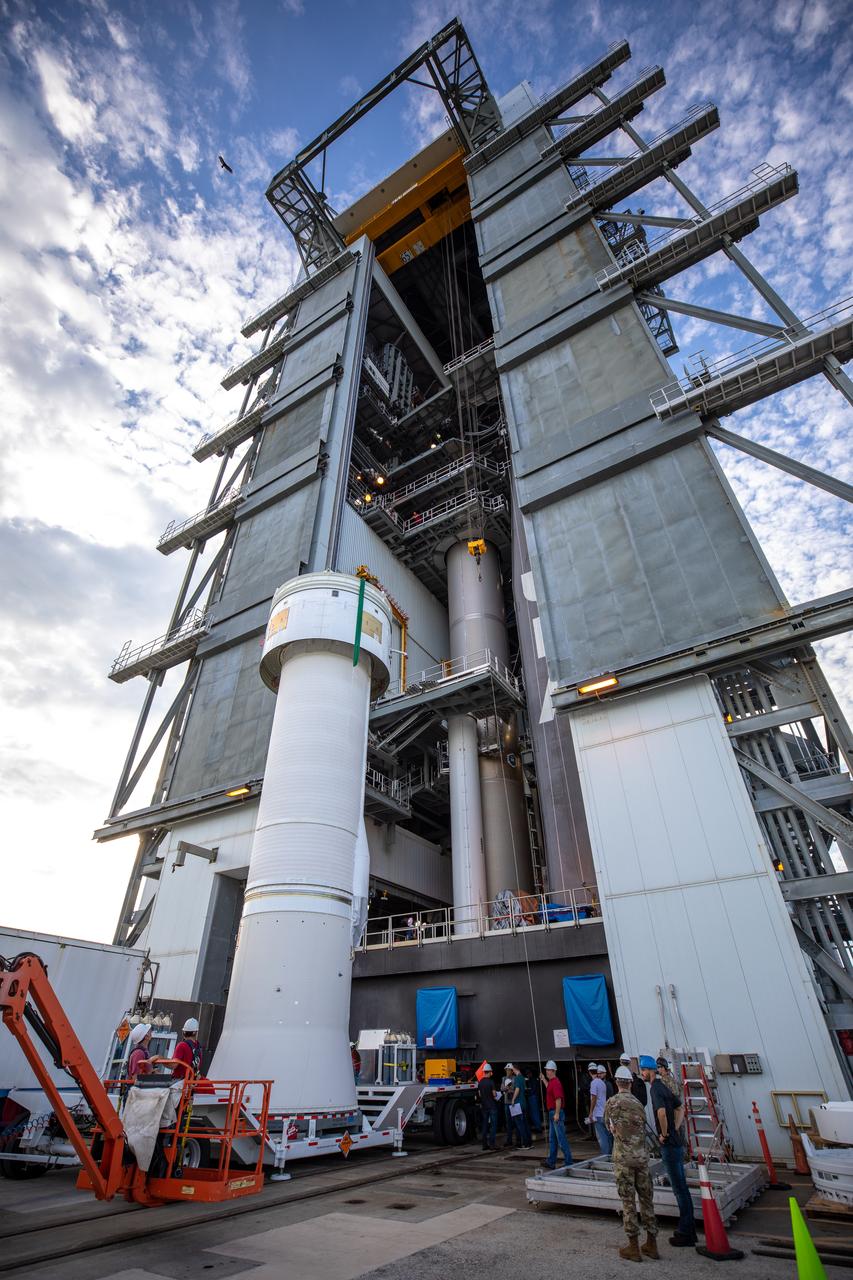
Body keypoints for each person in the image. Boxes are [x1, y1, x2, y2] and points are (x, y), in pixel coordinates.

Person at [640, 1054, 696, 1247]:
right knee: (682, 1187)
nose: (642, 1074)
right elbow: (680, 1108)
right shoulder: (664, 1086)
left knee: (679, 1188)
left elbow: (662, 1112)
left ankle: (685, 1231)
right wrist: (675, 1129)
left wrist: (664, 1134)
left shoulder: (656, 1089)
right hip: (677, 1142)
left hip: (670, 1146)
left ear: (650, 1070)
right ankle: (688, 1228)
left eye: (643, 1070)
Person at [605, 1065, 659, 1262]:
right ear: (630, 1082)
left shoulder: (612, 1103)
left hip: (624, 1159)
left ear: (616, 1082)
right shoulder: (638, 1103)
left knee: (628, 1202)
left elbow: (609, 1127)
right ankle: (652, 1243)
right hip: (642, 1158)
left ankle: (633, 1247)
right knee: (646, 1199)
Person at [540, 1060, 573, 1169]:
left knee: (561, 1139)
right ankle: (551, 1162)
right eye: (546, 1070)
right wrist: (544, 1080)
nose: (546, 1072)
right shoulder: (552, 1083)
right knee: (553, 1139)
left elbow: (558, 1099)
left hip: (555, 1112)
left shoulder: (556, 1083)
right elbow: (549, 1088)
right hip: (552, 1113)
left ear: (553, 1071)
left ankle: (569, 1162)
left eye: (548, 1070)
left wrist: (557, 1113)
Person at [587, 1064, 613, 1156]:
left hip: (597, 1114)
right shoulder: (603, 1083)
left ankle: (605, 1156)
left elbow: (593, 1098)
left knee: (602, 1137)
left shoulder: (594, 1083)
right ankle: (611, 1154)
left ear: (590, 1072)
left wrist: (590, 1113)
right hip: (604, 1113)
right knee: (607, 1135)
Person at [509, 1064, 532, 1148]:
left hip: (518, 1104)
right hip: (524, 1103)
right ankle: (529, 1142)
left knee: (520, 1124)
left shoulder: (517, 1078)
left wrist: (513, 1099)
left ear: (515, 1069)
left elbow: (517, 1089)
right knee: (525, 1123)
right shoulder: (522, 1077)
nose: (512, 1071)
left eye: (512, 1069)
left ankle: (525, 1143)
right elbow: (524, 1089)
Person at [478, 1064, 500, 1150]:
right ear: (490, 1072)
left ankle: (484, 1145)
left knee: (485, 1125)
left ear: (484, 1072)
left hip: (484, 1107)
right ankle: (492, 1144)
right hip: (492, 1106)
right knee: (493, 1125)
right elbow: (494, 1094)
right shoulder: (491, 1082)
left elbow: (480, 1094)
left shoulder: (480, 1082)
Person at [525, 1068, 544, 1134]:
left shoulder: (533, 1080)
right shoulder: (531, 1080)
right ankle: (537, 1127)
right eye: (527, 1074)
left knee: (535, 1113)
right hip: (533, 1097)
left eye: (528, 1074)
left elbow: (533, 1090)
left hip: (533, 1097)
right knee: (533, 1113)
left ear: (530, 1073)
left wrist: (527, 1092)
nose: (527, 1075)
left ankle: (539, 1128)